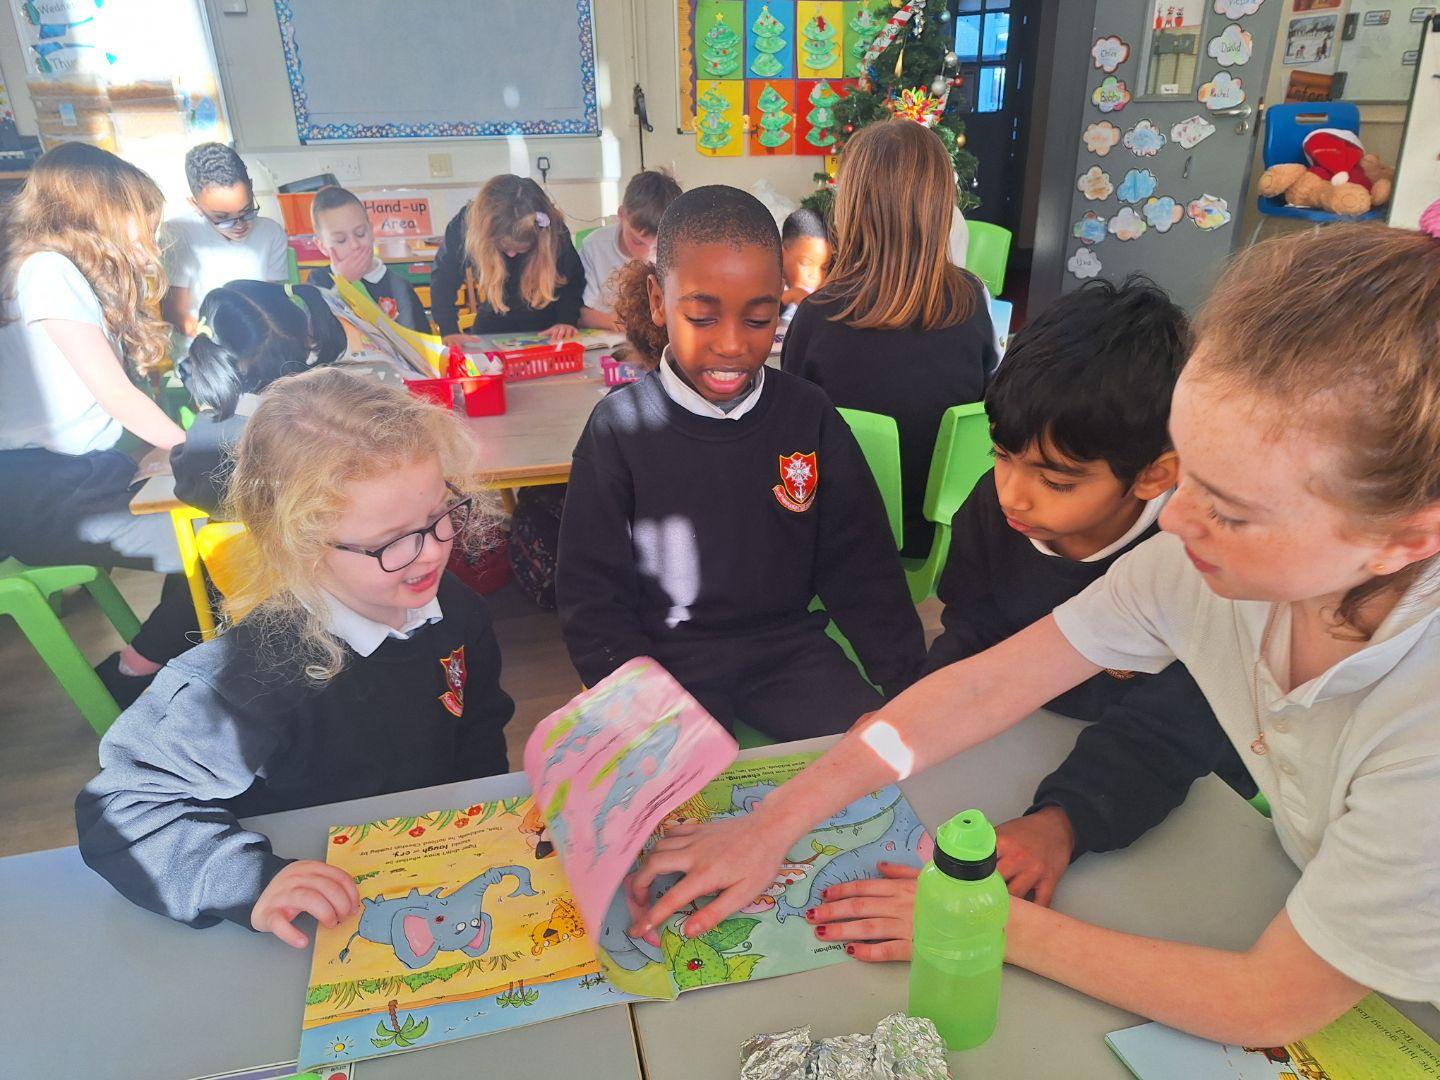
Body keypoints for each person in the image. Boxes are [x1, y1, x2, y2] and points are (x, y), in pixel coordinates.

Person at [632, 224, 1440, 1046]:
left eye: (1230, 509)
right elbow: (986, 681)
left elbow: (1267, 1002)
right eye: (1189, 473)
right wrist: (771, 823)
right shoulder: (1202, 567)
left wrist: (979, 915)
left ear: (1407, 536)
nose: (1177, 519)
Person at [76, 368, 514, 943]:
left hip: (429, 880)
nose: (431, 552)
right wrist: (247, 880)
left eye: (438, 517)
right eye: (390, 541)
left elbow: (479, 727)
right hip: (312, 920)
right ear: (296, 543)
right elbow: (122, 807)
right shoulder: (246, 676)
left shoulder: (455, 610)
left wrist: (487, 819)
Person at [924, 277, 1253, 906]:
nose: (1012, 494)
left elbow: (1175, 730)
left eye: (1055, 481)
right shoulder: (995, 513)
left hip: (1159, 790)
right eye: (1001, 454)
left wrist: (1064, 821)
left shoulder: (1201, 563)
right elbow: (972, 626)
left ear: (1154, 476)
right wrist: (921, 707)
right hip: (1022, 739)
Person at [555, 185, 924, 740]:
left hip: (788, 654)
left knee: (873, 759)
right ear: (657, 300)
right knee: (675, 789)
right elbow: (592, 600)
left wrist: (910, 686)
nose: (731, 345)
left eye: (758, 320)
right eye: (702, 317)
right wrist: (634, 703)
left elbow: (862, 565)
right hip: (665, 666)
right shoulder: (619, 429)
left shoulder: (808, 415)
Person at [0, 143, 196, 703]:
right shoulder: (48, 269)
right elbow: (113, 395)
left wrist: (154, 451)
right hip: (43, 496)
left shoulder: (51, 270)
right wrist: (199, 447)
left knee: (217, 527)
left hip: (67, 479)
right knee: (228, 540)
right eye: (143, 218)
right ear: (98, 211)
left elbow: (82, 407)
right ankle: (138, 674)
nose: (151, 236)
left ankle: (157, 663)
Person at [782, 120, 998, 559]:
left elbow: (789, 436)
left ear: (849, 208)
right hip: (945, 538)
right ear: (942, 207)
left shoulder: (816, 315)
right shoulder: (973, 301)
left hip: (840, 538)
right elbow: (989, 411)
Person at [507, 258, 669, 611]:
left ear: (630, 336)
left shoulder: (619, 409)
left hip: (620, 572)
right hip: (668, 559)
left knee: (536, 495)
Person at [169, 280, 341, 514]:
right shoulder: (322, 422)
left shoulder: (204, 434)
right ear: (304, 345)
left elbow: (186, 488)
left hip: (234, 536)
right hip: (309, 533)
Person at [429, 175, 585, 344]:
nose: (511, 255)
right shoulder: (466, 224)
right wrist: (449, 330)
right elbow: (443, 279)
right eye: (503, 247)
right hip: (493, 325)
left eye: (521, 249)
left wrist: (566, 321)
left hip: (548, 328)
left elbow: (572, 279)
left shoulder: (552, 229)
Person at [162, 143, 289, 341]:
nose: (240, 225)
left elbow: (269, 301)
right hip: (202, 347)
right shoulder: (178, 234)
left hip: (256, 342)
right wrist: (221, 340)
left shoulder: (270, 233)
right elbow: (175, 313)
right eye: (222, 217)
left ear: (251, 187)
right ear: (195, 205)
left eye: (247, 211)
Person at [303, 185, 429, 334]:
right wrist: (343, 284)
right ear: (322, 246)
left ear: (371, 230)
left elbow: (420, 339)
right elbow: (316, 333)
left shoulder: (398, 286)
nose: (355, 245)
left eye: (360, 233)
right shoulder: (319, 281)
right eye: (341, 240)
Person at [578, 168, 683, 332]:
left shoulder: (677, 248)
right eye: (637, 241)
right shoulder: (594, 247)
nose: (646, 254)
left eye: (657, 247)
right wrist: (619, 324)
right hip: (610, 337)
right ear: (621, 215)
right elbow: (579, 313)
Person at [779, 207, 831, 323]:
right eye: (805, 263)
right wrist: (789, 297)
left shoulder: (824, 294)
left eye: (824, 267)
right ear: (782, 252)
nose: (816, 276)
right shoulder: (763, 280)